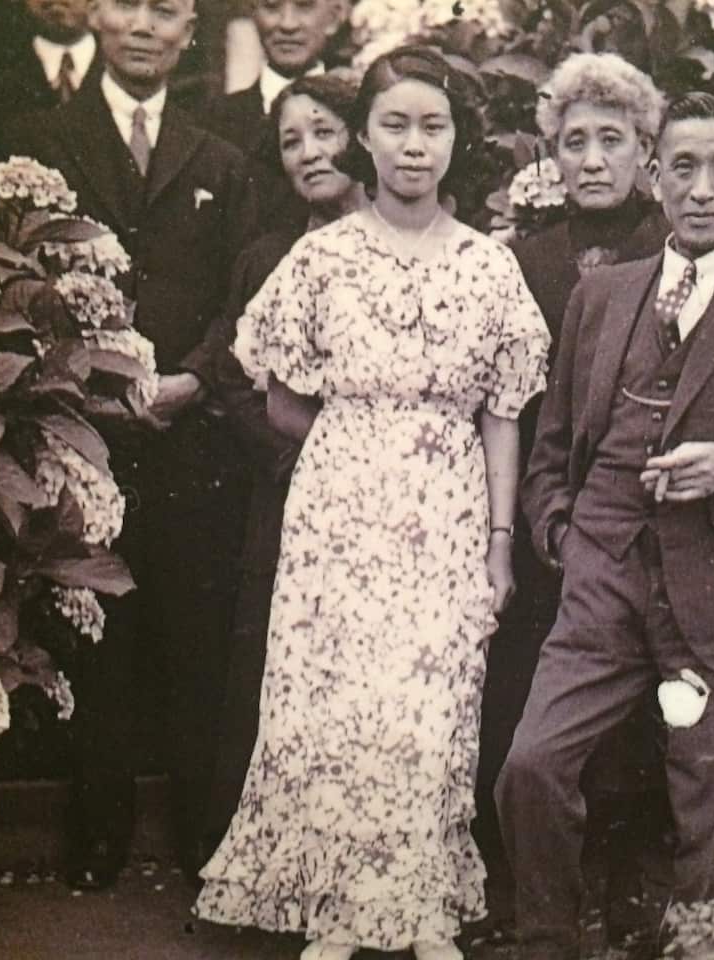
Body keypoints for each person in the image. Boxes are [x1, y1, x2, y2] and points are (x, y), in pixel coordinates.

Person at [195, 45, 550, 960]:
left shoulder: (487, 267)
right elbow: (280, 395)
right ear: (364, 138)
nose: (414, 146)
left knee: (430, 708)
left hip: (450, 503)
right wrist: (360, 454)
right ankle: (339, 914)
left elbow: (503, 414)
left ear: (456, 137)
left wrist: (500, 543)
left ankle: (421, 907)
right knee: (335, 705)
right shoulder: (323, 259)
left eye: (433, 126)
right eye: (395, 125)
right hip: (340, 507)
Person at [496, 89, 714, 960]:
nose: (701, 187)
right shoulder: (601, 296)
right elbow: (553, 453)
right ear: (653, 177)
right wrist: (564, 540)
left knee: (712, 821)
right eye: (682, 166)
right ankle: (547, 942)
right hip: (602, 585)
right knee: (531, 770)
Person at [4, 0, 257, 890]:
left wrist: (194, 375)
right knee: (92, 628)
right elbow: (15, 277)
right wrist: (80, 385)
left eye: (168, 11)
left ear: (191, 32)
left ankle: (201, 832)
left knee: (194, 631)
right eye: (125, 5)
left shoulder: (221, 155)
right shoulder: (41, 141)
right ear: (92, 18)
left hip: (190, 436)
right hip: (82, 434)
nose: (144, 25)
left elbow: (241, 292)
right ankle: (98, 827)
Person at [477, 52, 672, 937]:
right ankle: (532, 902)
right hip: (541, 507)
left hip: (645, 521)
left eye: (613, 141)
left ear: (646, 150)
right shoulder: (520, 258)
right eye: (573, 142)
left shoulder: (675, 252)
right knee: (529, 707)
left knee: (639, 726)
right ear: (550, 155)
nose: (592, 160)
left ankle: (627, 889)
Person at [201, 71, 366, 849]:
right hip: (291, 490)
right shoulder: (268, 256)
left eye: (325, 131)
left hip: (394, 501)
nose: (309, 152)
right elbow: (235, 380)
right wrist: (308, 453)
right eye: (292, 140)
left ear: (361, 134)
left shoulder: (420, 243)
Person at [202, 0, 344, 231]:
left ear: (335, 16)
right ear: (252, 12)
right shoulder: (213, 122)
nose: (287, 24)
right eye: (271, 6)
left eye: (304, 6)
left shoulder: (361, 110)